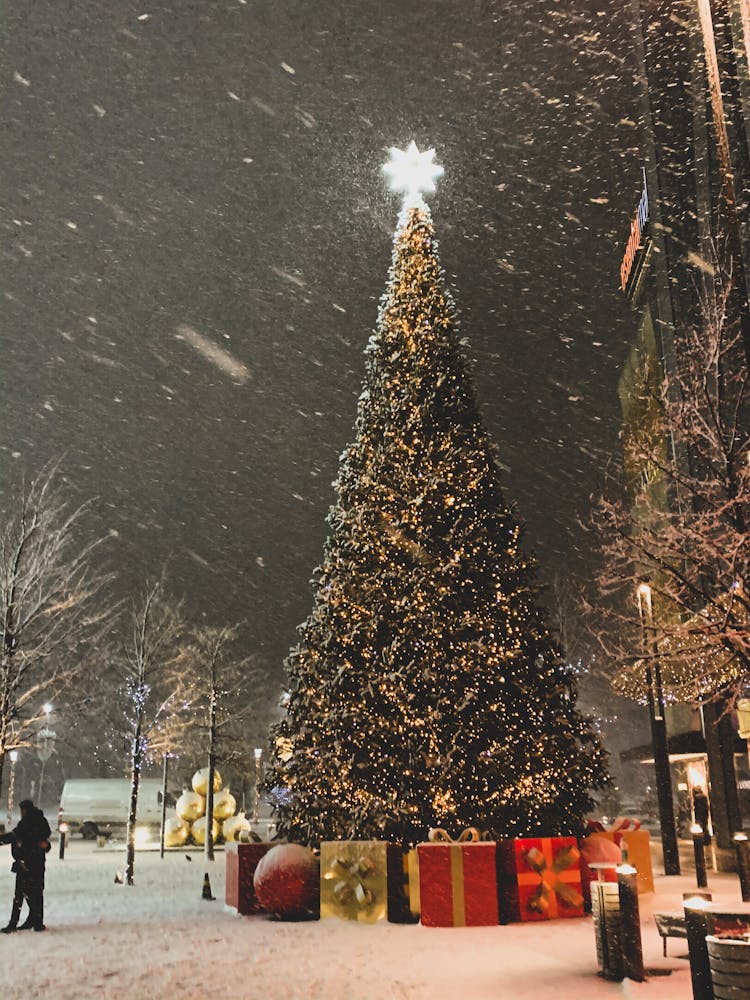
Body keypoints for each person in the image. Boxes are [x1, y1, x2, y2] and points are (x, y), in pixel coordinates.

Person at [0, 799, 51, 932]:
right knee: (36, 893)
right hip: (37, 863)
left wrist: (2, 840)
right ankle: (36, 921)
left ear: (25, 810)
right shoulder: (40, 820)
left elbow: (15, 836)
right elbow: (45, 838)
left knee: (20, 894)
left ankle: (13, 924)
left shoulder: (27, 822)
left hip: (26, 863)